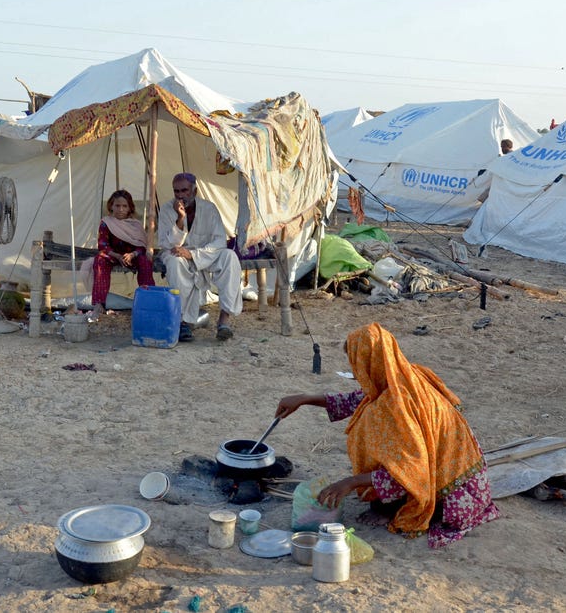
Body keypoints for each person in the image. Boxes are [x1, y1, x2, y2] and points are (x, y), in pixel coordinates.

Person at [275, 323, 499, 548]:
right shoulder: (405, 375)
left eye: (356, 363)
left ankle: (390, 508)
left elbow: (411, 470)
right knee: (373, 425)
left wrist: (350, 483)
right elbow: (354, 400)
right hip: (475, 485)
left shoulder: (396, 404)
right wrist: (304, 398)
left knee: (376, 439)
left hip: (455, 501)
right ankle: (386, 505)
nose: (355, 371)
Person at [157, 172, 242, 342]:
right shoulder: (167, 209)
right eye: (176, 191)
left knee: (229, 257)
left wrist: (194, 255)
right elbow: (167, 244)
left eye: (184, 191)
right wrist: (180, 219)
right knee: (175, 262)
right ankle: (183, 322)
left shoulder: (209, 209)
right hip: (177, 254)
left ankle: (224, 321)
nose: (180, 195)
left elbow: (219, 241)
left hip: (204, 254)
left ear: (194, 191)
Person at [82, 190, 155, 320]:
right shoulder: (106, 223)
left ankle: (148, 300)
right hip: (113, 256)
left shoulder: (135, 225)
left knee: (145, 260)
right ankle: (99, 304)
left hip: (132, 256)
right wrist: (117, 256)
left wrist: (132, 254)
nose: (121, 209)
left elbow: (142, 246)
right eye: (117, 206)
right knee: (100, 260)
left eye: (124, 206)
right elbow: (103, 245)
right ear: (111, 206)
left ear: (130, 208)